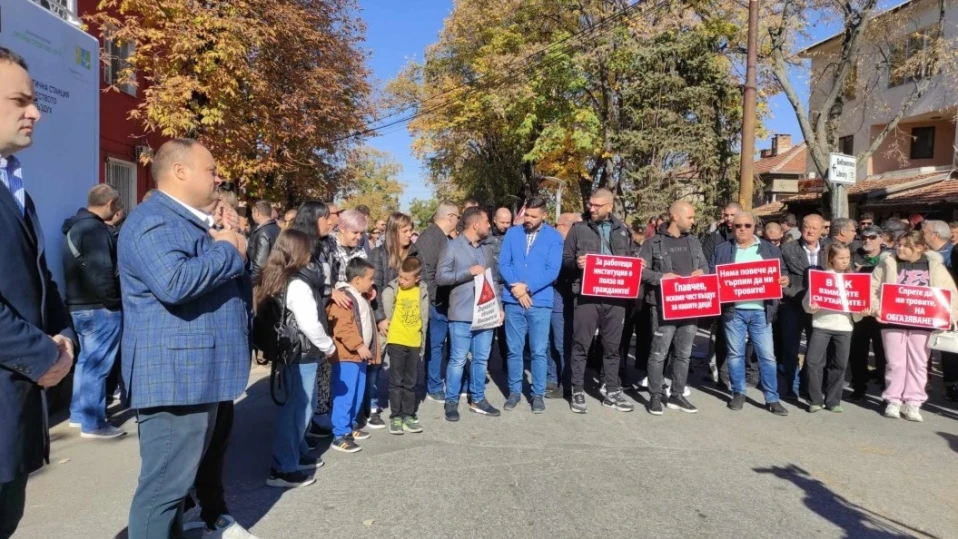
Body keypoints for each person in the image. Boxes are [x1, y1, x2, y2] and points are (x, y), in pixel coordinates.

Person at [118, 139, 252, 538]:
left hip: (196, 374)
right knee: (163, 491)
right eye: (211, 170)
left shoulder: (192, 221)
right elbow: (174, 283)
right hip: (176, 377)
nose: (218, 178)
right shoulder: (154, 220)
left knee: (174, 491)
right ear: (180, 171)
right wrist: (227, 249)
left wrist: (232, 241)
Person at [0, 47, 77, 539]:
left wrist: (63, 336)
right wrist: (45, 354)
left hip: (16, 413)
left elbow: (39, 279)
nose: (36, 112)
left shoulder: (16, 188)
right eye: (19, 100)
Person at [254, 229, 334, 488]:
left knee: (297, 408)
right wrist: (328, 346)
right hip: (303, 353)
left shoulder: (276, 277)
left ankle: (294, 454)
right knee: (299, 411)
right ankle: (283, 467)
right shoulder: (298, 283)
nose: (311, 254)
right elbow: (310, 324)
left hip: (289, 352)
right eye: (307, 249)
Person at [870, 231, 958, 422]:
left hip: (923, 322)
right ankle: (893, 400)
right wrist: (876, 308)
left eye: (905, 245)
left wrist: (950, 317)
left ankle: (914, 402)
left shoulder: (934, 266)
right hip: (892, 320)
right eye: (898, 245)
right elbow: (872, 288)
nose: (899, 248)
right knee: (895, 363)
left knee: (919, 363)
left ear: (919, 247)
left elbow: (950, 293)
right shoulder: (888, 263)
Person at [563, 188, 636, 414]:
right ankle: (577, 389)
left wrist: (637, 265)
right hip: (587, 297)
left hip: (616, 298)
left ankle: (611, 390)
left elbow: (631, 257)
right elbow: (565, 261)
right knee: (581, 344)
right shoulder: (578, 229)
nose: (591, 208)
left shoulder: (622, 230)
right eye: (590, 204)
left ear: (609, 207)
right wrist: (577, 263)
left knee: (612, 347)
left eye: (597, 205)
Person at [61, 184, 125, 439]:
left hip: (78, 307)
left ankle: (79, 415)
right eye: (117, 205)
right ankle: (93, 423)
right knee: (96, 366)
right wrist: (114, 302)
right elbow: (103, 273)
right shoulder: (95, 230)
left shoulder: (74, 227)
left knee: (85, 363)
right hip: (99, 309)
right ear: (110, 203)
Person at [711, 211, 789, 416]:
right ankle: (738, 392)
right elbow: (712, 275)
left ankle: (772, 398)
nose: (742, 229)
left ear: (754, 227)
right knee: (735, 354)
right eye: (738, 226)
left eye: (747, 225)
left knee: (767, 356)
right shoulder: (722, 249)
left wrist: (785, 280)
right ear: (732, 228)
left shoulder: (770, 249)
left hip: (761, 311)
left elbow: (783, 272)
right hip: (733, 311)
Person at [638, 200, 708, 416]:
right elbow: (641, 272)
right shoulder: (653, 243)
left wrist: (703, 272)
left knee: (684, 354)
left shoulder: (694, 242)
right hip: (663, 307)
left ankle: (677, 395)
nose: (693, 221)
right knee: (659, 353)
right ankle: (655, 396)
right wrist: (662, 277)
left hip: (690, 305)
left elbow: (705, 266)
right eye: (690, 217)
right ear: (675, 217)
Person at [498, 197, 564, 414]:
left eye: (533, 216)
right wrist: (516, 288)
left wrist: (527, 287)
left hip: (540, 301)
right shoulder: (512, 233)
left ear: (544, 216)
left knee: (538, 350)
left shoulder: (554, 237)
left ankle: (537, 394)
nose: (528, 219)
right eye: (526, 214)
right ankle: (514, 392)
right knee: (514, 350)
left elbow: (552, 270)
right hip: (513, 300)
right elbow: (504, 263)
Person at [437, 206, 501, 420]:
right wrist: (468, 272)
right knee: (458, 359)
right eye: (486, 222)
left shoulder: (486, 250)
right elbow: (441, 277)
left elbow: (493, 281)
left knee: (481, 360)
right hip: (461, 314)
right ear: (475, 224)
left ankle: (478, 399)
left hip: (486, 313)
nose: (489, 225)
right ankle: (451, 401)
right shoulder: (451, 247)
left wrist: (499, 308)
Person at [286, 202, 337, 439]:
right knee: (301, 400)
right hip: (304, 337)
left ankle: (302, 440)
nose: (331, 221)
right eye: (326, 217)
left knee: (311, 393)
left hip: (319, 322)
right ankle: (291, 450)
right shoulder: (299, 248)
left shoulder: (323, 245)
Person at [326, 258, 379, 452]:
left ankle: (350, 426)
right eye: (370, 279)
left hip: (359, 356)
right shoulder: (345, 298)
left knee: (356, 394)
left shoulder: (359, 296)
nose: (372, 282)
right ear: (357, 280)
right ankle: (340, 434)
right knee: (345, 396)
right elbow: (343, 328)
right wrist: (358, 345)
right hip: (347, 356)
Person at [803, 243, 860, 413]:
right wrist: (812, 307)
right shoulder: (821, 278)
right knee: (813, 362)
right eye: (841, 258)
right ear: (830, 259)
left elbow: (858, 306)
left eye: (847, 257)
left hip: (844, 327)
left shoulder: (854, 280)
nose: (845, 261)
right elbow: (806, 303)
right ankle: (815, 400)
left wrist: (861, 312)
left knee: (840, 365)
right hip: (822, 325)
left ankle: (833, 401)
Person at [780, 213, 828, 400]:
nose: (810, 231)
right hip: (794, 303)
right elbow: (782, 271)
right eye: (807, 227)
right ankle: (791, 386)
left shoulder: (830, 248)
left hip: (819, 307)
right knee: (790, 348)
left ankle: (808, 385)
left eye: (814, 228)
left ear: (822, 230)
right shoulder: (787, 248)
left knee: (816, 350)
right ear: (800, 228)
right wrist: (786, 282)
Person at [417, 201, 460, 402]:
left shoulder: (440, 236)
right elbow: (428, 272)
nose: (458, 221)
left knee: (438, 345)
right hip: (436, 301)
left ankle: (435, 382)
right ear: (450, 217)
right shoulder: (431, 238)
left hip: (441, 300)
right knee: (435, 345)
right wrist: (436, 299)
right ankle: (433, 386)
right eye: (458, 217)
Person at [381, 256, 429, 434]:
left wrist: (422, 340)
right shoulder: (393, 290)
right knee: (396, 380)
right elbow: (386, 310)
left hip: (414, 341)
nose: (401, 281)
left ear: (417, 278)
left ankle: (408, 414)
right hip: (397, 340)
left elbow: (424, 317)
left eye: (406, 278)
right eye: (400, 276)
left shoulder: (421, 291)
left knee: (410, 381)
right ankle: (396, 416)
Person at [848, 225, 889, 401]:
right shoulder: (853, 256)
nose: (867, 240)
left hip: (881, 312)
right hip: (860, 312)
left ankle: (887, 392)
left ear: (881, 238)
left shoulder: (889, 257)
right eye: (864, 237)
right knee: (858, 352)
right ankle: (858, 388)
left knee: (883, 354)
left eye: (872, 237)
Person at [703, 202, 741, 389]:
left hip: (744, 296)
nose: (728, 219)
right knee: (721, 337)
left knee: (740, 339)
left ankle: (740, 376)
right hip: (722, 295)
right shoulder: (716, 237)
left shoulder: (752, 236)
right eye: (726, 215)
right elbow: (706, 261)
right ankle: (722, 376)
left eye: (732, 215)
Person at [547, 212, 582, 399]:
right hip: (554, 295)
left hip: (566, 296)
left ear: (567, 227)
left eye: (557, 225)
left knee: (562, 342)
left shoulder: (576, 247)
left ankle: (566, 382)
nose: (554, 228)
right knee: (551, 339)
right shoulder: (556, 244)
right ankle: (552, 377)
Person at [490, 206, 513, 367]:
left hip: (509, 289)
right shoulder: (486, 238)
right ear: (494, 220)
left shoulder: (514, 237)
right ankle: (486, 362)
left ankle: (507, 362)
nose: (505, 225)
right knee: (489, 329)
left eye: (508, 222)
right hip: (491, 288)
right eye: (502, 222)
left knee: (507, 331)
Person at [247, 199, 281, 281]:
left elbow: (259, 264)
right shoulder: (277, 228)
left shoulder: (263, 232)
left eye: (252, 212)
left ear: (257, 213)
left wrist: (252, 282)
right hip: (273, 276)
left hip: (262, 279)